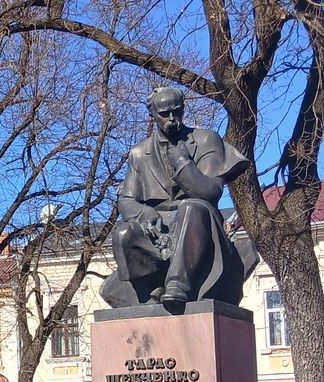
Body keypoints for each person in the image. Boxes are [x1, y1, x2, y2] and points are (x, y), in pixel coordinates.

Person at [101, 86, 251, 310]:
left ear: (183, 109)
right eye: (164, 114)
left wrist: (182, 162)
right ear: (152, 114)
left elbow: (209, 192)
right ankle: (151, 291)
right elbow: (126, 200)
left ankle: (178, 285)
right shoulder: (139, 153)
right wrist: (144, 212)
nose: (171, 119)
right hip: (158, 228)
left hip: (200, 222)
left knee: (191, 206)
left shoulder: (206, 140)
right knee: (123, 234)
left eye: (176, 111)